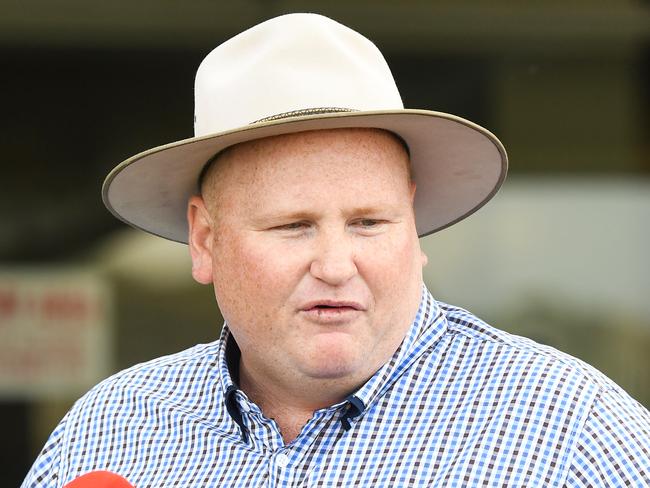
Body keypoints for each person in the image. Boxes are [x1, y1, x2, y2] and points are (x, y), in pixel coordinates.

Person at [23, 13, 649, 488]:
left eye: (370, 222)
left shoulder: (571, 433)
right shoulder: (107, 433)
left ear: (414, 225)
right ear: (206, 239)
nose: (335, 265)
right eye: (293, 226)